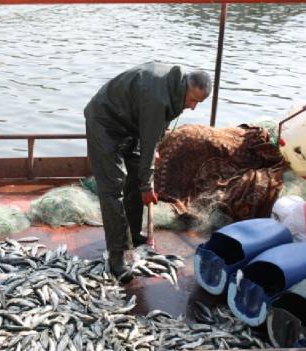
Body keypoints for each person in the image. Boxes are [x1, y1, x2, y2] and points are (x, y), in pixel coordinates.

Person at [84, 62, 211, 282]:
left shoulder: (174, 88)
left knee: (135, 175)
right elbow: (150, 132)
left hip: (129, 124)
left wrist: (152, 152)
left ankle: (133, 234)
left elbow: (155, 131)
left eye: (198, 103)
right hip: (104, 123)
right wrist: (147, 186)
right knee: (113, 188)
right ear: (186, 88)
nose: (192, 107)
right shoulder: (158, 98)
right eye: (193, 100)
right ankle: (116, 256)